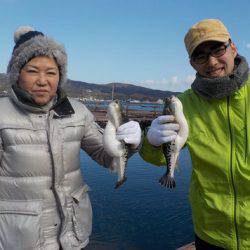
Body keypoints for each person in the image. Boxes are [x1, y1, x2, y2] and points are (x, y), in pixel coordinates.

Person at [0, 26, 141, 250]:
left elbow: (107, 157)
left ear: (60, 76)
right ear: (17, 74)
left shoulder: (78, 112)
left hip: (72, 236)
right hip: (19, 240)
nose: (42, 80)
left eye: (51, 72)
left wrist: (129, 143)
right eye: (33, 71)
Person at [139, 19, 250, 250]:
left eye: (218, 49)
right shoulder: (184, 104)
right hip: (211, 233)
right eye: (200, 56)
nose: (211, 61)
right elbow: (158, 158)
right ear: (192, 63)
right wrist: (151, 140)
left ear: (233, 48)